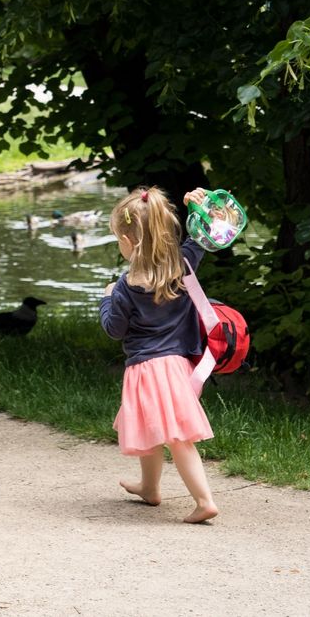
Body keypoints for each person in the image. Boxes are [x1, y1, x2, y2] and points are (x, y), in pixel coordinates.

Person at [100, 186, 219, 524]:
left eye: (117, 238)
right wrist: (203, 206)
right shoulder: (182, 264)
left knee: (174, 438)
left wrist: (106, 299)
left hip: (145, 370)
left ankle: (205, 500)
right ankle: (149, 487)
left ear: (129, 241)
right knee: (156, 429)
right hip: (177, 366)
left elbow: (114, 329)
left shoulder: (125, 286)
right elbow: (209, 234)